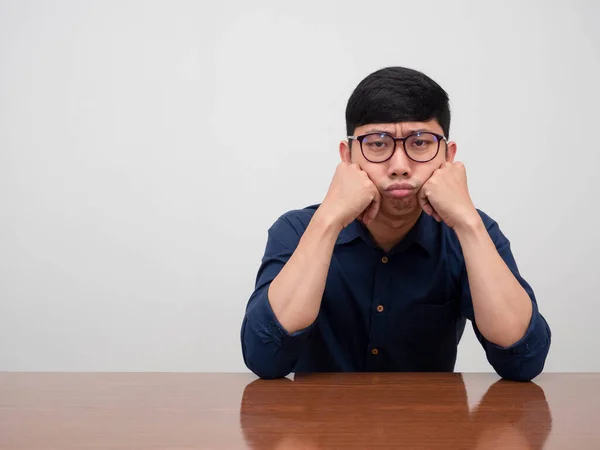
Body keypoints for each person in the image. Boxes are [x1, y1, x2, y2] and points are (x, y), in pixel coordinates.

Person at [240, 66, 551, 381]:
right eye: (377, 144)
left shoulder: (470, 232)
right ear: (347, 157)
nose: (400, 166)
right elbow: (265, 358)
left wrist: (469, 224)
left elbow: (523, 362)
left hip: (429, 427)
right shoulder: (296, 230)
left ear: (447, 155)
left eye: (420, 143)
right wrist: (330, 220)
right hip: (319, 427)